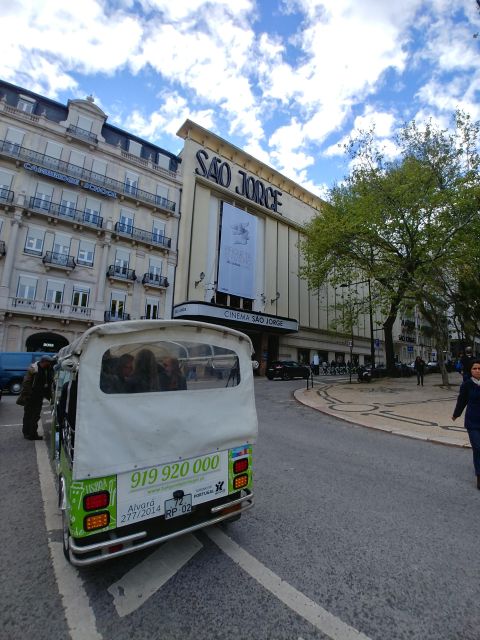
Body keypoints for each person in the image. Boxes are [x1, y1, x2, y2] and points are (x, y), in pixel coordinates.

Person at [452, 360, 480, 489]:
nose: (477, 370)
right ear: (471, 370)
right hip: (472, 422)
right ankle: (479, 476)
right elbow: (462, 401)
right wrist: (456, 414)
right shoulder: (467, 385)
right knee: (478, 448)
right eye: (475, 368)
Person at [16, 355, 54, 440]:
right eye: (48, 362)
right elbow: (26, 383)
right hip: (31, 396)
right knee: (30, 415)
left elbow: (47, 384)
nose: (49, 363)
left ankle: (29, 433)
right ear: (43, 361)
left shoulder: (47, 369)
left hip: (39, 396)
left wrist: (50, 397)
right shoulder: (34, 369)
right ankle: (30, 434)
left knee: (34, 415)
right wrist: (28, 395)